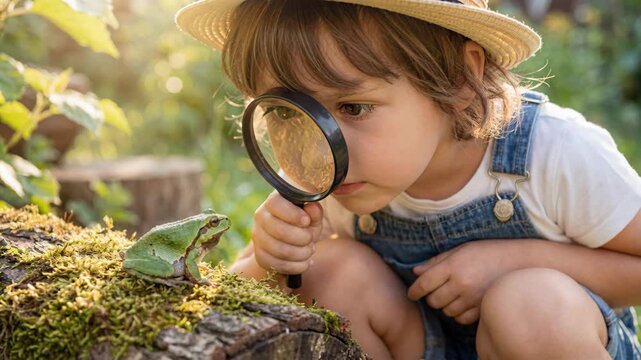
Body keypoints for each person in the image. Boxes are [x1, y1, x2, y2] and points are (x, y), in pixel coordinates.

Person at [175, 0, 641, 359]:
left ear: (461, 78)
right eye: (285, 112)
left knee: (529, 301)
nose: (317, 146)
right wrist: (273, 256)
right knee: (328, 270)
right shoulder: (339, 175)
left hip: (548, 340)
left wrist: (517, 259)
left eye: (353, 108)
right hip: (417, 342)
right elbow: (231, 292)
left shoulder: (555, 153)